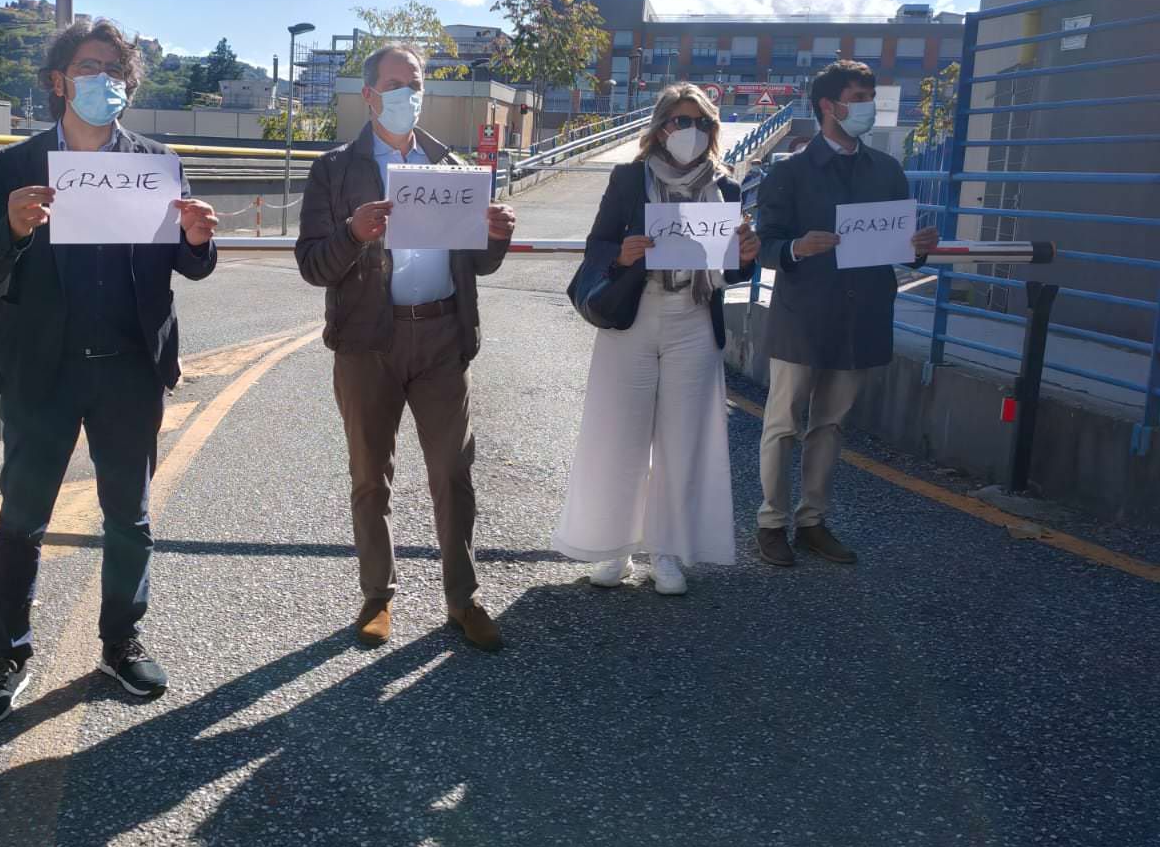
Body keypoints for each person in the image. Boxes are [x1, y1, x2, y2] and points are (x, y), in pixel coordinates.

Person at [0, 19, 219, 724]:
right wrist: (12, 229)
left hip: (130, 369)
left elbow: (185, 262)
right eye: (90, 66)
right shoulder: (16, 165)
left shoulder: (154, 162)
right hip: (42, 371)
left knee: (129, 519)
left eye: (116, 71)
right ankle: (7, 653)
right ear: (58, 81)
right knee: (21, 519)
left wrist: (198, 240)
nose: (104, 80)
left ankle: (119, 640)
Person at [295, 45, 518, 652]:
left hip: (443, 334)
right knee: (371, 475)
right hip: (368, 342)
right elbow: (312, 265)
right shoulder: (335, 170)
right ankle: (376, 595)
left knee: (452, 471)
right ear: (369, 95)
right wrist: (351, 234)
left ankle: (462, 597)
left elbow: (478, 261)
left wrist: (496, 237)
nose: (407, 95)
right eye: (395, 84)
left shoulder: (451, 165)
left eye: (415, 84)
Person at [553, 83, 760, 594]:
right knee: (619, 434)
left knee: (683, 441)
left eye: (701, 124)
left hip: (695, 322)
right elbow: (597, 243)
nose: (689, 132)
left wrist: (746, 257)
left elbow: (728, 272)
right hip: (635, 316)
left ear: (713, 131)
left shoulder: (728, 188)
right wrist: (620, 255)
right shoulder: (629, 179)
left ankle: (666, 550)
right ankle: (612, 547)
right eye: (679, 121)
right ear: (661, 126)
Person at [754, 60, 938, 566]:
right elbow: (764, 246)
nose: (866, 107)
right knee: (783, 424)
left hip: (862, 314)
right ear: (828, 106)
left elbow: (898, 246)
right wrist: (796, 247)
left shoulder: (886, 169)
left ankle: (812, 520)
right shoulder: (789, 171)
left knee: (830, 426)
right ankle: (771, 522)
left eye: (869, 96)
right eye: (857, 97)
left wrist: (918, 247)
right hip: (803, 315)